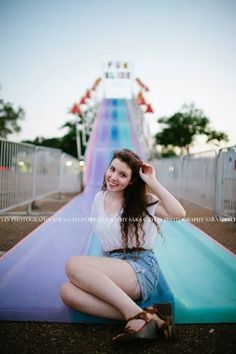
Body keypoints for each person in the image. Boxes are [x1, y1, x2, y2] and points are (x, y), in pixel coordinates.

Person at [60, 149, 186, 342]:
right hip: (115, 264)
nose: (113, 177)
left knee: (72, 264)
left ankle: (139, 317)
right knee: (67, 292)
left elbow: (179, 213)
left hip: (141, 267)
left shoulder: (143, 202)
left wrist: (152, 181)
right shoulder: (99, 199)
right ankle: (147, 316)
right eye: (112, 169)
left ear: (132, 181)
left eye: (123, 174)